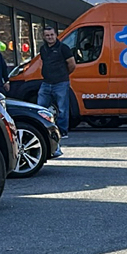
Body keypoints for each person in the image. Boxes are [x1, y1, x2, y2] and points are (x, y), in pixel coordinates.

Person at [37, 26, 76, 157]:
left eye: (51, 35)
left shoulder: (63, 48)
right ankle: (42, 129)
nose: (49, 37)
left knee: (62, 108)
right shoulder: (43, 49)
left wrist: (63, 75)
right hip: (46, 83)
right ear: (44, 37)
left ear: (56, 35)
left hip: (60, 83)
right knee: (40, 107)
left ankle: (63, 132)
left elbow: (72, 64)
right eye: (47, 35)